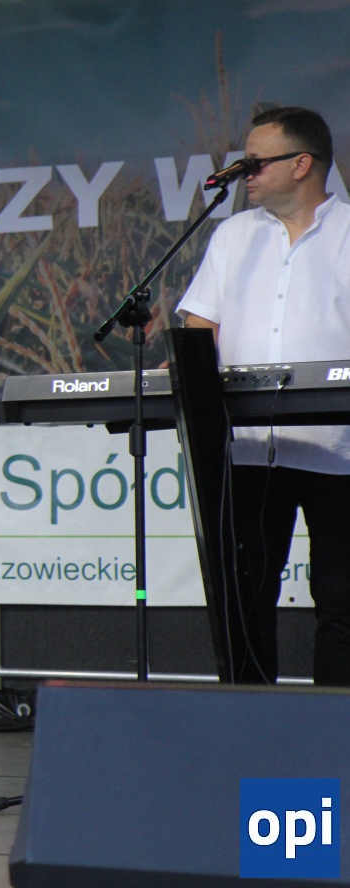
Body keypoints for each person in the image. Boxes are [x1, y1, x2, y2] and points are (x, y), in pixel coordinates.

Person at [177, 106, 350, 685]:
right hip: (251, 449)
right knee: (246, 596)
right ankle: (250, 724)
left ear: (302, 164)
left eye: (255, 163)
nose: (243, 173)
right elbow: (200, 325)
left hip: (340, 451)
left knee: (341, 598)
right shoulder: (234, 235)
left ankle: (336, 728)